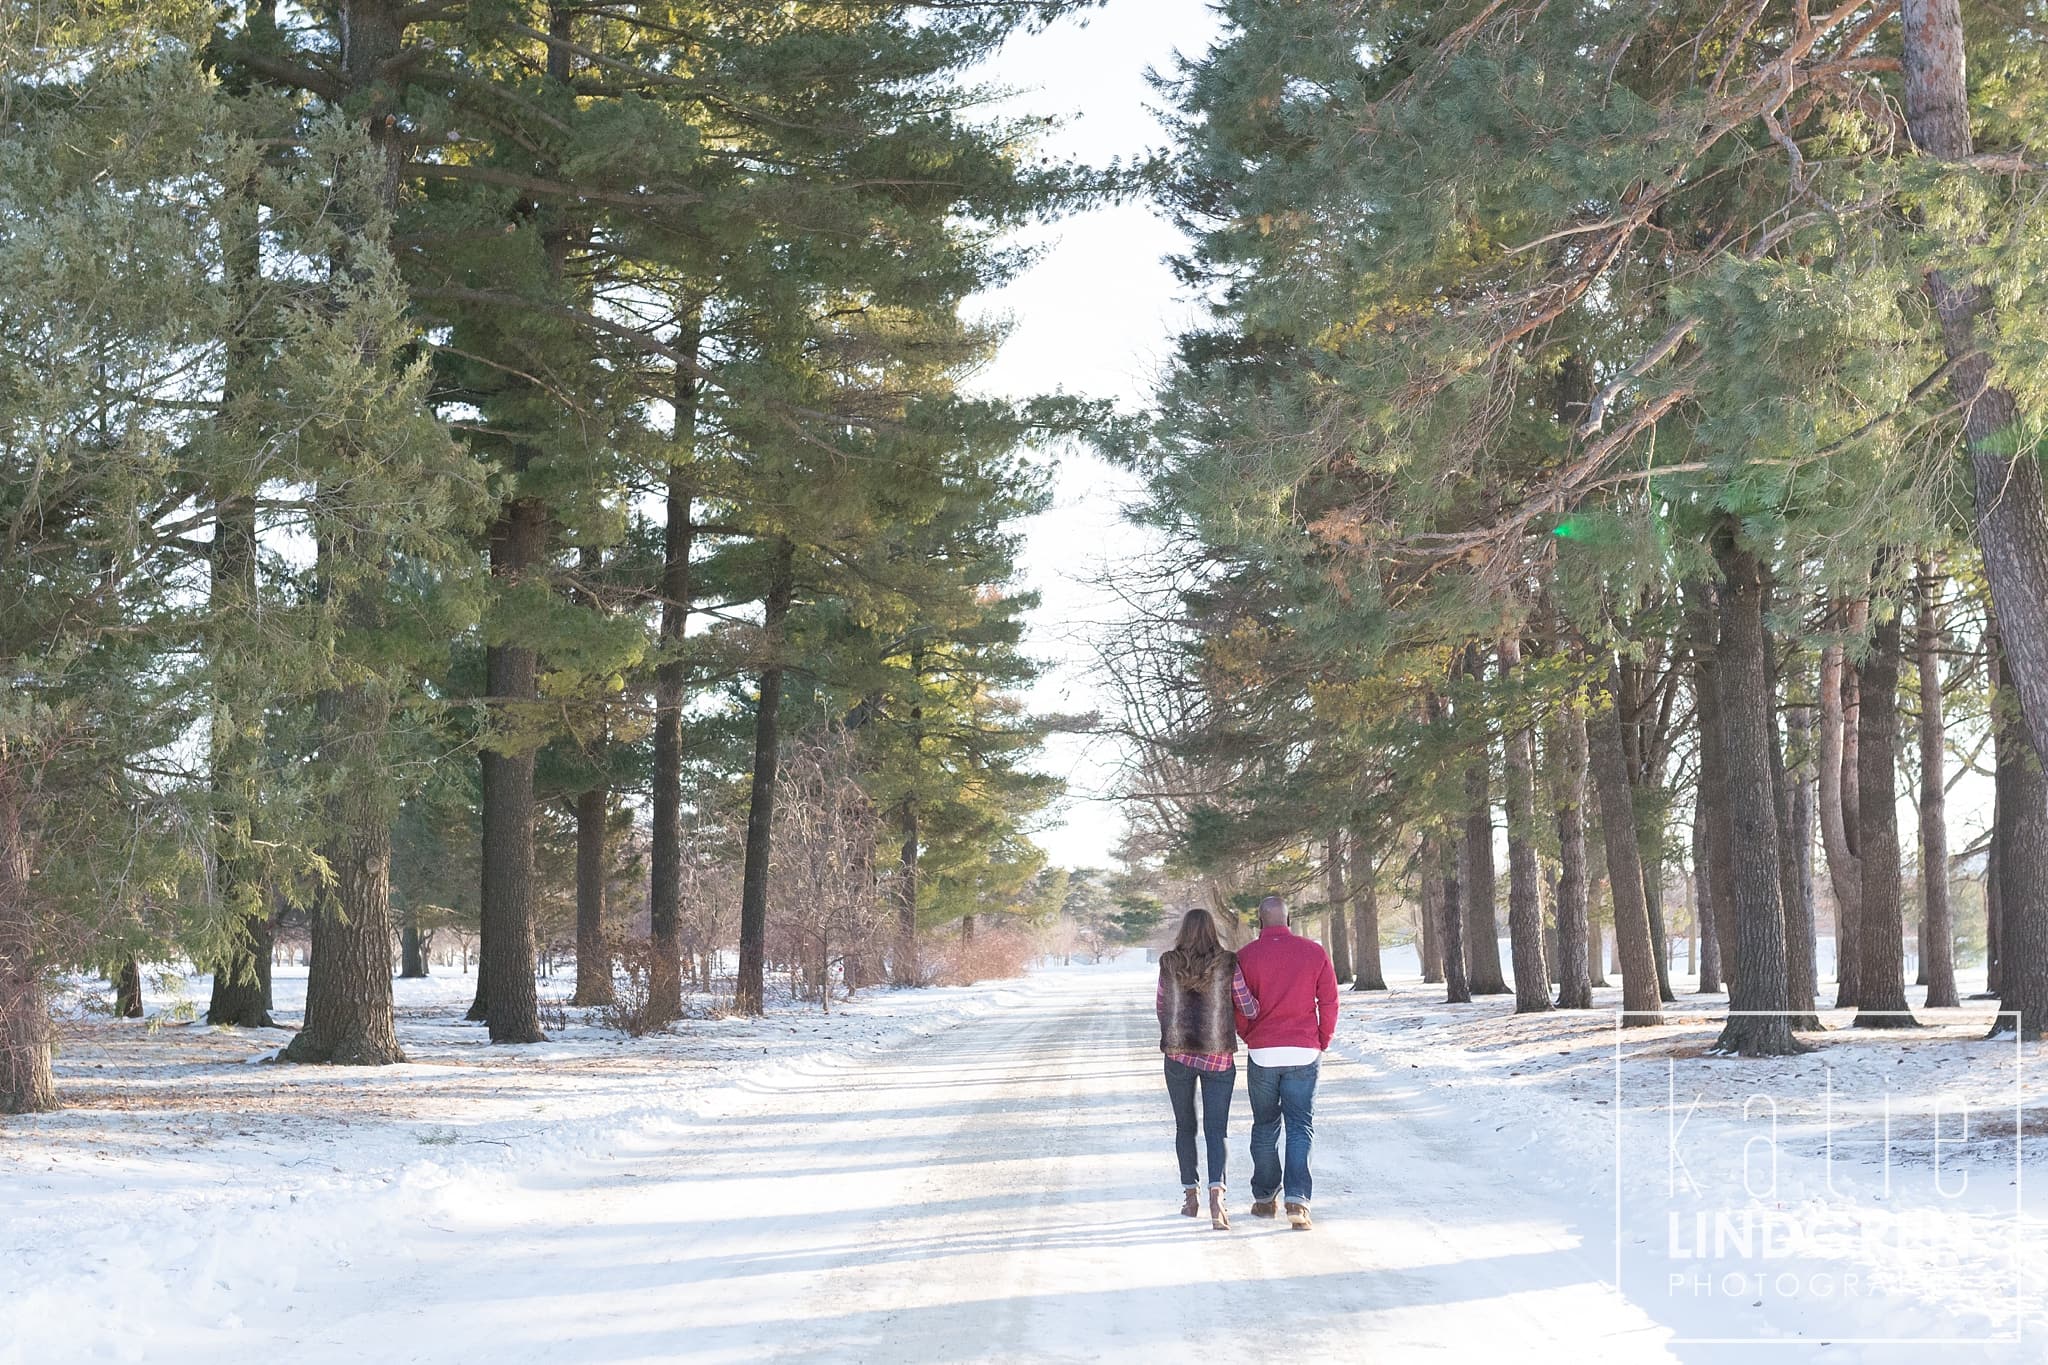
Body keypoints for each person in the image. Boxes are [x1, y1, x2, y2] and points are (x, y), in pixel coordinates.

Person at [1233, 894, 1338, 1231]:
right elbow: (1330, 1000)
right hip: (1303, 1050)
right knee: (1299, 1125)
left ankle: (1264, 1201)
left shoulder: (1246, 956)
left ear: (1261, 922)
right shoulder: (1314, 952)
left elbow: (1237, 1003)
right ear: (1288, 920)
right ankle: (1297, 1201)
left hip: (1263, 1052)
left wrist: (1250, 1035)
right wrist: (1322, 1038)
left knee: (1265, 1126)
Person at [1155, 908, 1259, 1230]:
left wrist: (1175, 1030)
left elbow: (1161, 1005)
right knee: (1217, 1129)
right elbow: (1247, 1006)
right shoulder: (1228, 963)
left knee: (1184, 1127)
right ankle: (1218, 1194)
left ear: (1183, 931)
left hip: (1178, 1055)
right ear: (1212, 931)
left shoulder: (1169, 963)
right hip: (1218, 1057)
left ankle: (1190, 1196)